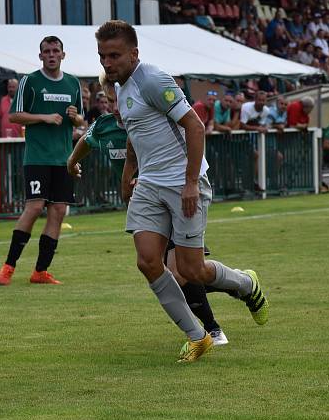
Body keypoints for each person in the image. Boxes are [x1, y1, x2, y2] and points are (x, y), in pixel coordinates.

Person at [95, 20, 269, 363]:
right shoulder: (119, 85)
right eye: (102, 56)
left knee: (192, 270)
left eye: (114, 55)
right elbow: (134, 133)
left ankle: (247, 284)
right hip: (149, 184)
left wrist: (190, 182)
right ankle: (197, 336)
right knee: (147, 261)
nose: (107, 63)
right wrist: (130, 173)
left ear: (134, 53)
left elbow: (195, 125)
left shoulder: (153, 79)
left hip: (182, 183)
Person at [66, 74, 229, 346]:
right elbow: (87, 139)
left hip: (174, 194)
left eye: (119, 99)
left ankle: (212, 328)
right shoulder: (106, 125)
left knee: (183, 272)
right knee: (174, 271)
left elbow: (187, 132)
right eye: (110, 100)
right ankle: (226, 302)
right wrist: (71, 162)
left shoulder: (147, 116)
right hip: (148, 204)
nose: (116, 106)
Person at [0, 36, 84, 286]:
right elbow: (14, 116)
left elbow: (80, 121)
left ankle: (40, 271)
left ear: (63, 55)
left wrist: (75, 118)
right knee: (34, 207)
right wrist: (43, 118)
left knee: (58, 211)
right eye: (47, 51)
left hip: (63, 159)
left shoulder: (72, 83)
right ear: (41, 55)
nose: (52, 55)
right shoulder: (30, 81)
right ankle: (8, 267)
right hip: (38, 157)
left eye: (56, 51)